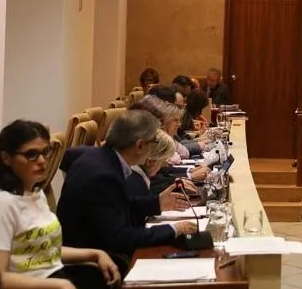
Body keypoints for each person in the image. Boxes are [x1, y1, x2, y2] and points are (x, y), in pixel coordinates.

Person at [0, 121, 120, 289]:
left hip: (57, 278)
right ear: (6, 158)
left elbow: (46, 252)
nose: (42, 161)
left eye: (45, 152)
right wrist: (59, 285)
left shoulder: (37, 193)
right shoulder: (1, 205)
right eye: (31, 154)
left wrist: (95, 253)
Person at [57, 110, 199, 262]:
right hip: (94, 265)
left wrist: (156, 203)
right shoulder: (103, 174)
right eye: (153, 142)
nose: (153, 149)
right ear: (139, 145)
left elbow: (115, 205)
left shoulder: (100, 158)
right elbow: (120, 238)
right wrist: (173, 229)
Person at [126, 131, 181, 199]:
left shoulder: (132, 175)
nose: (164, 166)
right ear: (150, 162)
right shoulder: (136, 184)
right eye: (163, 162)